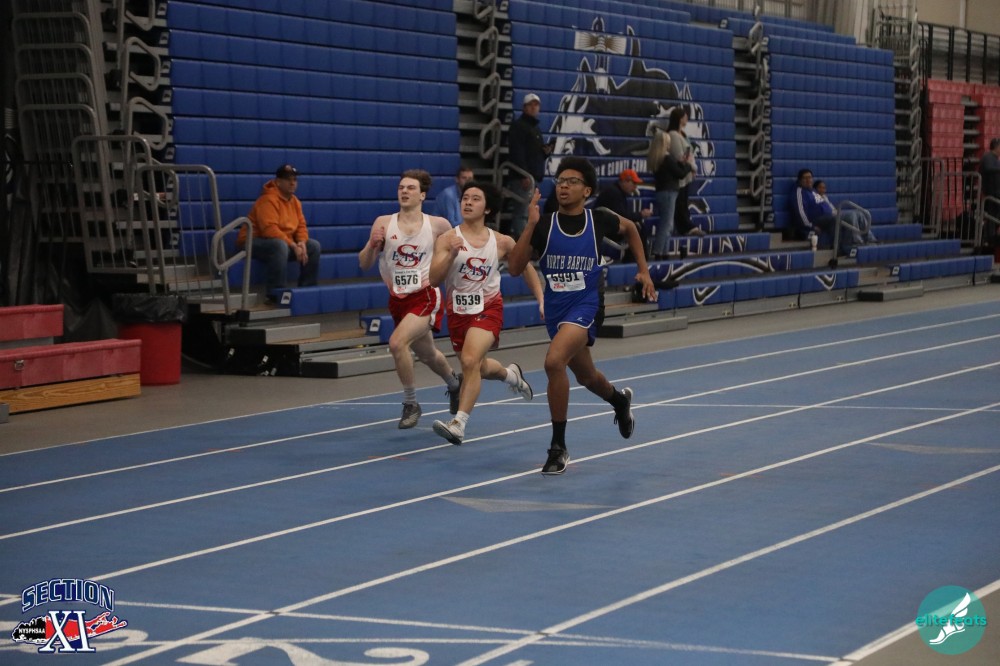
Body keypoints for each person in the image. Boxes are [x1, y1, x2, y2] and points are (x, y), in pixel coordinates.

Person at [507, 156, 657, 476]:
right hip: (557, 309)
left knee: (553, 362)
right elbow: (516, 267)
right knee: (586, 377)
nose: (563, 186)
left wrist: (644, 271)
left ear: (587, 190)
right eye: (560, 180)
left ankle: (558, 447)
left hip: (587, 303)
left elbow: (631, 229)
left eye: (572, 181)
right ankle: (619, 401)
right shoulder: (544, 224)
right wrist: (530, 224)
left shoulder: (598, 219)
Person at [428, 181, 544, 445]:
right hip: (458, 312)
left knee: (469, 361)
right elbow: (434, 279)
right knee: (477, 367)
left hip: (488, 309)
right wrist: (451, 255)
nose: (468, 202)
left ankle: (459, 423)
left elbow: (525, 268)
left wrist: (541, 299)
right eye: (465, 198)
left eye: (475, 199)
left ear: (488, 208)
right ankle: (511, 375)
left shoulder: (501, 241)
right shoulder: (447, 239)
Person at [359, 169, 463, 429]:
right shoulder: (383, 223)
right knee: (428, 355)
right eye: (401, 187)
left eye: (410, 188)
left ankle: (411, 403)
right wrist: (372, 245)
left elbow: (457, 257)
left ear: (422, 195)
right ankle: (454, 384)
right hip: (398, 299)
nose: (404, 191)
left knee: (397, 343)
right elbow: (364, 264)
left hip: (425, 295)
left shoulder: (438, 225)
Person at [237, 164, 321, 300]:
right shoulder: (268, 200)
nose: (292, 183)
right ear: (278, 182)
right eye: (288, 179)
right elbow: (269, 230)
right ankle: (275, 294)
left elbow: (301, 226)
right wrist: (293, 245)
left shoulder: (295, 202)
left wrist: (301, 242)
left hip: (281, 242)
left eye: (295, 180)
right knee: (279, 246)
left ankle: (307, 291)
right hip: (252, 241)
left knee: (313, 246)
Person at [647, 108, 695, 259]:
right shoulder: (666, 159)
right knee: (667, 224)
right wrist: (688, 165)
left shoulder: (659, 159)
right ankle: (658, 251)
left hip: (663, 191)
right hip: (669, 192)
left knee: (668, 224)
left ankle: (664, 252)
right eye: (668, 143)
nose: (670, 144)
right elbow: (680, 173)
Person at [506, 92, 553, 239]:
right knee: (522, 212)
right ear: (524, 107)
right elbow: (517, 152)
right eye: (530, 105)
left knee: (528, 212)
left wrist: (545, 152)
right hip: (524, 178)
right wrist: (523, 174)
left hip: (532, 178)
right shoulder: (519, 126)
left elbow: (533, 153)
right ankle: (522, 243)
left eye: (536, 105)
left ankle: (527, 243)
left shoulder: (535, 128)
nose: (534, 108)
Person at [593, 169, 652, 259]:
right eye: (634, 183)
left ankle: (638, 259)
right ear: (625, 181)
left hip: (607, 225)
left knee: (637, 226)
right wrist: (640, 215)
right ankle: (636, 260)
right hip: (605, 228)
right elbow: (622, 217)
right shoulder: (614, 193)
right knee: (635, 228)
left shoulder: (617, 191)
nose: (635, 187)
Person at [813, 179, 877, 252]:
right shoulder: (814, 198)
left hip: (835, 214)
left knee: (859, 214)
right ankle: (856, 241)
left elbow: (832, 209)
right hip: (826, 217)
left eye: (824, 188)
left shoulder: (825, 197)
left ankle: (870, 239)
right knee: (851, 216)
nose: (822, 190)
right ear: (815, 189)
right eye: (820, 187)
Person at [791, 168, 834, 246]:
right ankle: (846, 247)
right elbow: (801, 213)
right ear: (800, 180)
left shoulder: (813, 191)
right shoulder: (800, 192)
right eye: (805, 178)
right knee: (845, 219)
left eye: (810, 177)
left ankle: (854, 244)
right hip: (816, 220)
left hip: (828, 217)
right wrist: (812, 226)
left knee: (855, 216)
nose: (808, 180)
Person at [980, 137, 1000, 246]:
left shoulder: (996, 160)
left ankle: (992, 238)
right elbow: (988, 169)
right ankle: (989, 239)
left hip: (997, 193)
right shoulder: (988, 158)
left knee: (995, 217)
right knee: (992, 217)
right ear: (996, 147)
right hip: (991, 193)